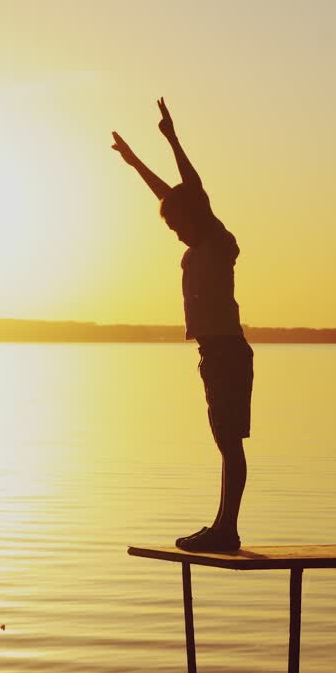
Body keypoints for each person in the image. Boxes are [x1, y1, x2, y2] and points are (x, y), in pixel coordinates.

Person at [110, 99, 252, 553]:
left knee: (230, 444)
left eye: (177, 225)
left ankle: (226, 530)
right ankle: (222, 526)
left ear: (195, 218)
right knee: (225, 443)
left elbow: (193, 189)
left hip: (227, 352)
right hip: (214, 353)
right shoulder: (197, 232)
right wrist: (135, 165)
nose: (175, 232)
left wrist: (172, 139)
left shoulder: (215, 239)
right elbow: (171, 196)